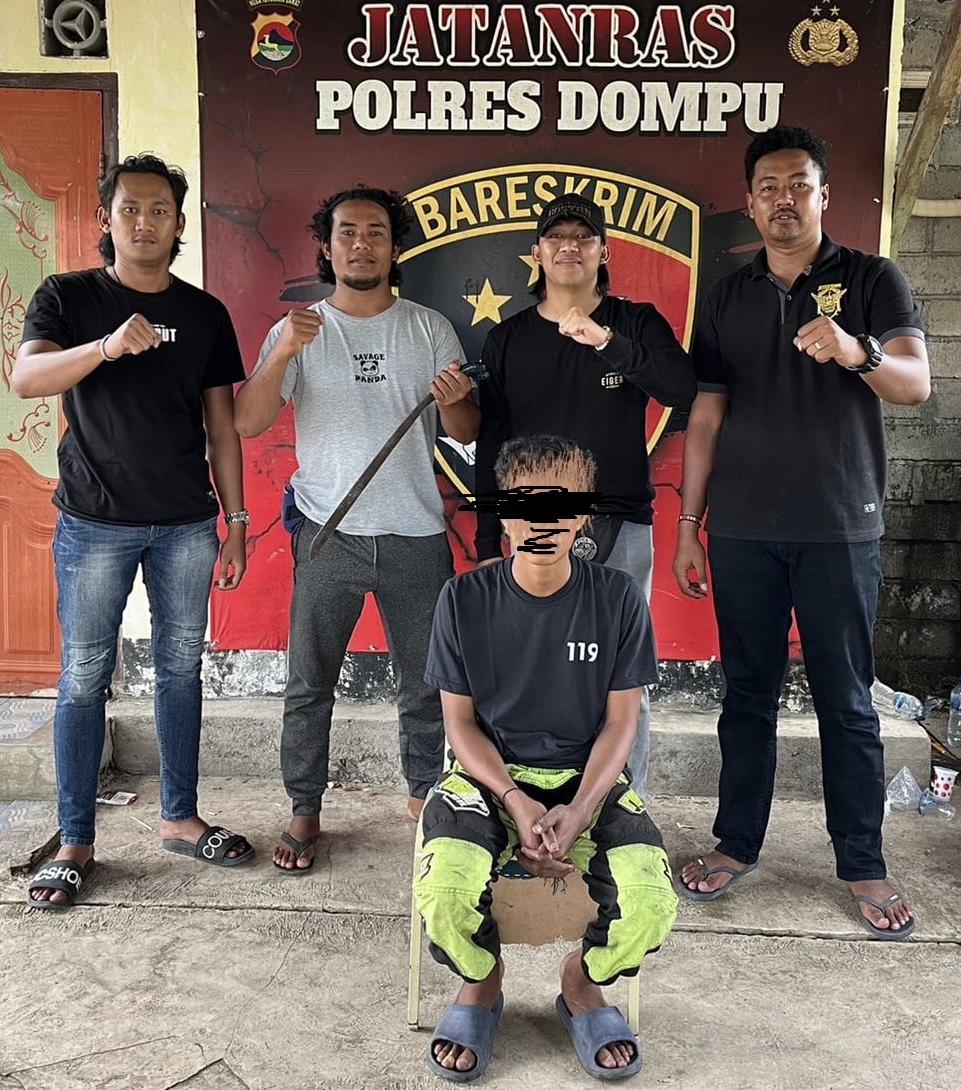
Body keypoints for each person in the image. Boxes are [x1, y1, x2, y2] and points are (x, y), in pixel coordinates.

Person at [672, 124, 931, 938]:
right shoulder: (727, 294)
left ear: (824, 196)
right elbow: (705, 415)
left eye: (798, 185)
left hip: (839, 527)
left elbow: (915, 383)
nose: (783, 200)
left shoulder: (872, 278)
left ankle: (863, 861)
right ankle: (735, 843)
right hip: (743, 528)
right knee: (745, 695)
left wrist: (857, 352)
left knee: (846, 701)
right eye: (768, 188)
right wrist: (689, 524)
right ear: (750, 204)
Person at [13, 152, 253, 911]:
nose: (144, 221)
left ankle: (180, 818)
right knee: (85, 675)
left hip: (186, 523)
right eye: (130, 208)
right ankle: (75, 841)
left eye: (160, 210)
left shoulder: (206, 313)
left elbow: (223, 428)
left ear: (179, 225)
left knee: (181, 670)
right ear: (106, 219)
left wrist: (236, 522)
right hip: (94, 522)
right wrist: (106, 347)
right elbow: (26, 379)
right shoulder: (68, 296)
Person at [415, 435, 676, 1082]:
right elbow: (459, 724)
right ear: (503, 514)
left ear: (584, 514)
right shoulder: (463, 600)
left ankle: (582, 983)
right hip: (489, 780)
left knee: (650, 902)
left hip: (587, 782)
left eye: (561, 503)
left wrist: (580, 810)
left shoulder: (617, 598)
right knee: (443, 894)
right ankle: (482, 980)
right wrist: (515, 799)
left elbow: (622, 722)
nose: (543, 520)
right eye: (526, 503)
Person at [236, 186, 479, 874]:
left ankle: (424, 800)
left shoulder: (428, 328)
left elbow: (467, 433)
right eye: (347, 232)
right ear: (327, 245)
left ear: (395, 247)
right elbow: (249, 421)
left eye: (376, 232)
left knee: (427, 683)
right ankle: (304, 810)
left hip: (415, 534)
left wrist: (457, 402)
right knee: (309, 683)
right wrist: (281, 353)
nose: (361, 244)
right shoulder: (299, 329)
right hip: (328, 534)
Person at [472, 193, 696, 801]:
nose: (569, 246)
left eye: (583, 236)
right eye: (556, 237)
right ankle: (535, 803)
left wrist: (606, 342)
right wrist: (488, 538)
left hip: (619, 523)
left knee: (622, 680)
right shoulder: (508, 338)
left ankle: (624, 807)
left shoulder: (635, 322)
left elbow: (681, 388)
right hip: (532, 527)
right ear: (537, 253)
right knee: (533, 671)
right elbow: (492, 442)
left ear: (604, 251)